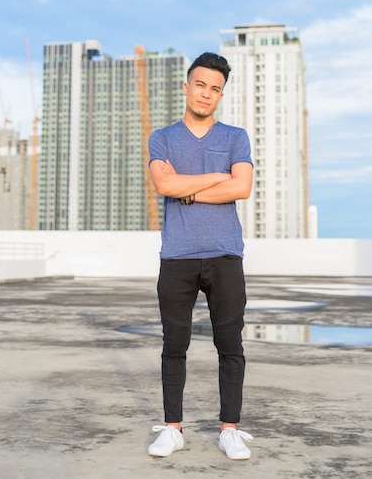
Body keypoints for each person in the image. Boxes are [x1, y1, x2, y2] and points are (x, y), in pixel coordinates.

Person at [147, 52, 254, 460]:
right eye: (200, 84)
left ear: (220, 95)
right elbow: (163, 184)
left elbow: (241, 188)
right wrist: (214, 177)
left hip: (225, 255)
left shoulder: (235, 137)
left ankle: (229, 429)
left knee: (230, 344)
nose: (206, 93)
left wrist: (185, 186)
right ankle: (172, 428)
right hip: (177, 256)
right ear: (186, 86)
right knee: (174, 344)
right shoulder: (163, 137)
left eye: (215, 88)